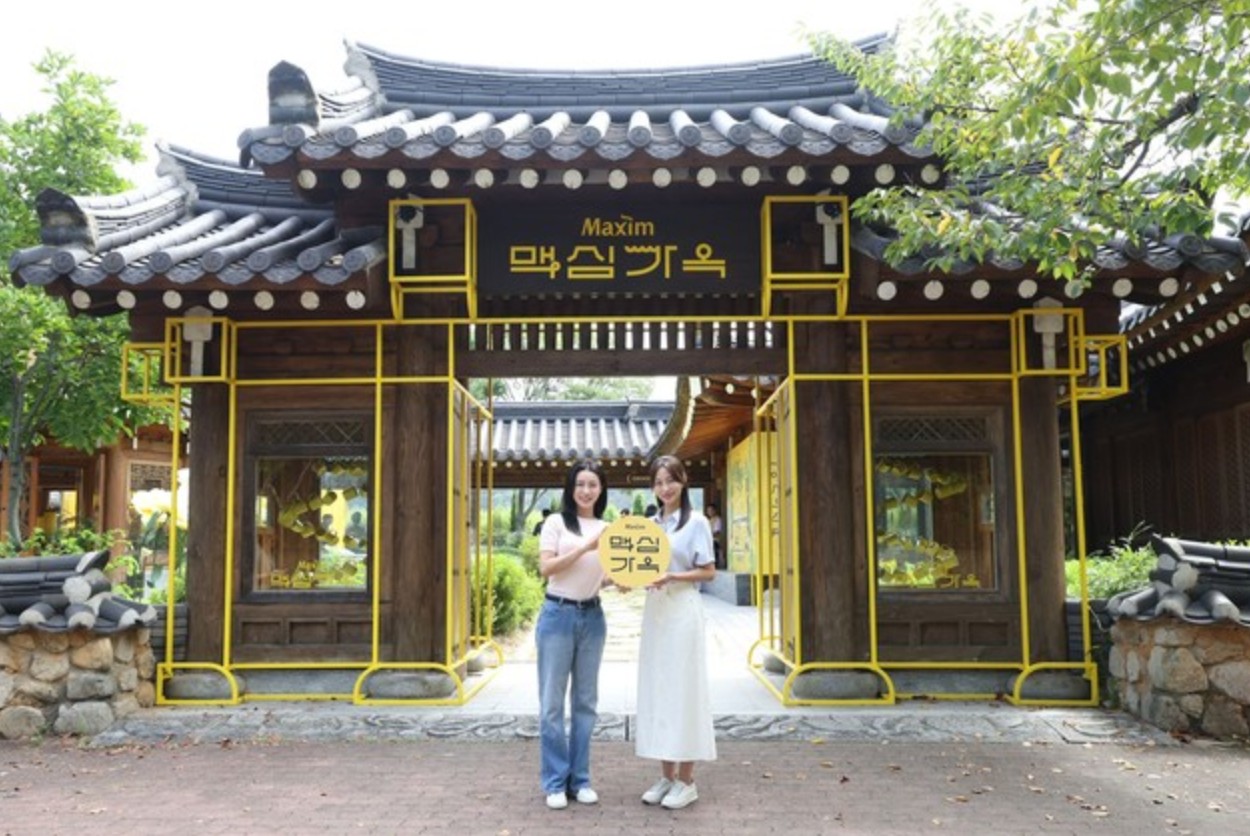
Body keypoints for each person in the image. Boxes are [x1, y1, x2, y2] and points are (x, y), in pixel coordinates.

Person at [635, 455, 717, 810]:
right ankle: (667, 777)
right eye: (658, 482)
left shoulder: (696, 522)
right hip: (656, 611)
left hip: (683, 609)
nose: (665, 488)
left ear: (684, 482)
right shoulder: (649, 526)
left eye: (671, 480)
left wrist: (672, 576)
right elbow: (639, 568)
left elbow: (708, 571)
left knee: (685, 690)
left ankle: (687, 780)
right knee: (659, 689)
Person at [535, 459, 609, 810]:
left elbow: (602, 576)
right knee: (552, 704)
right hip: (557, 615)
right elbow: (546, 568)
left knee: (585, 703)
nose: (586, 490)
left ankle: (580, 780)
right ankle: (554, 781)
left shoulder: (607, 529)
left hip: (593, 618)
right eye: (580, 484)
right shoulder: (556, 523)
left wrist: (620, 581)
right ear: (570, 488)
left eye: (592, 484)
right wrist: (584, 548)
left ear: (601, 489)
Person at [705, 503, 725, 569]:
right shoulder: (709, 520)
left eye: (711, 510)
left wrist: (708, 535)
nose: (709, 512)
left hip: (716, 540)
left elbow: (717, 531)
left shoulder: (718, 519)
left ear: (714, 510)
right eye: (708, 511)